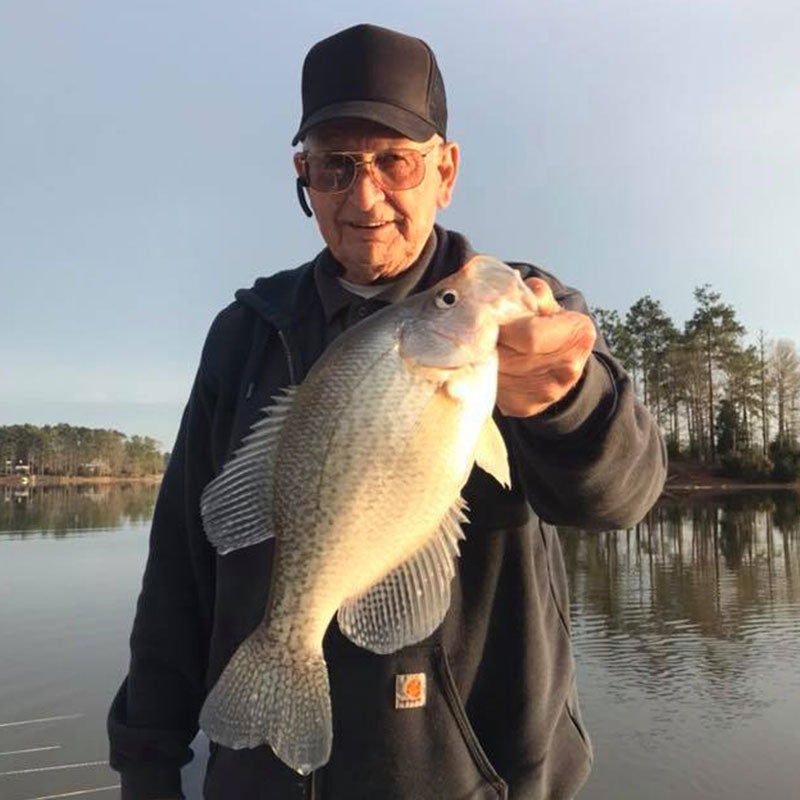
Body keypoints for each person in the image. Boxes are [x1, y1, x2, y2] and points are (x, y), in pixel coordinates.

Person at [108, 23, 666, 800]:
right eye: (336, 166)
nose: (364, 195)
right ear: (303, 178)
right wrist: (147, 761)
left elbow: (623, 495)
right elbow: (179, 564)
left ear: (446, 170)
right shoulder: (244, 335)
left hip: (470, 778)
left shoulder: (522, 315)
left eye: (394, 160)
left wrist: (568, 402)